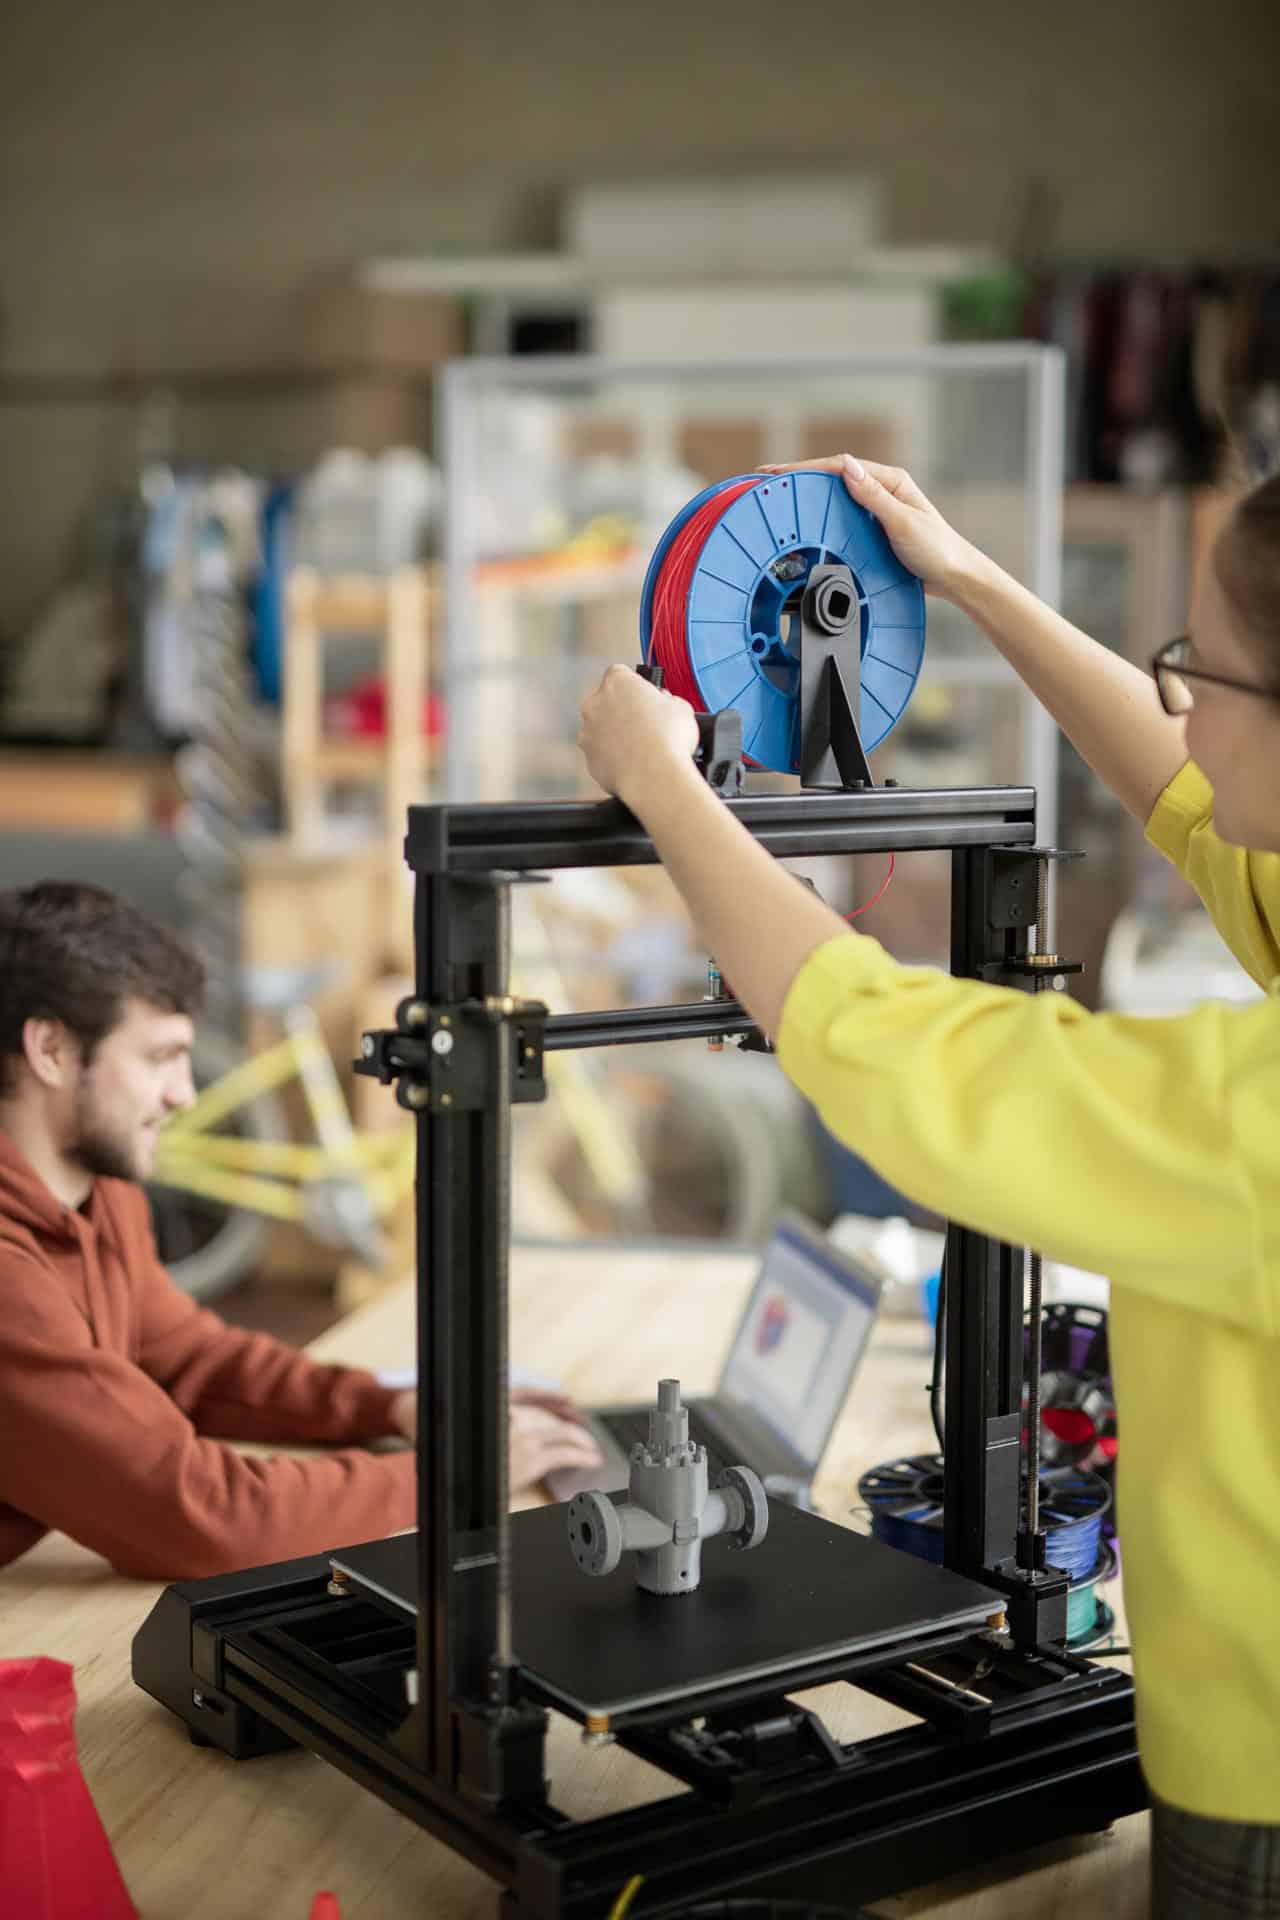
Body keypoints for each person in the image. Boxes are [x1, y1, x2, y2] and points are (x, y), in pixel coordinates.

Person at [579, 458, 1280, 1920]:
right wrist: (962, 576)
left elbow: (914, 1064)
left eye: (1202, 665)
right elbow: (1194, 799)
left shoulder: (1249, 1121)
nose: (1184, 702)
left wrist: (663, 788)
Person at [0, 882, 599, 1582]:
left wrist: (392, 1407)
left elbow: (190, 1360)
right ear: (50, 1050)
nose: (184, 1094)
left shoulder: (95, 1193)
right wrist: (453, 1476)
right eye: (159, 1057)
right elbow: (200, 1515)